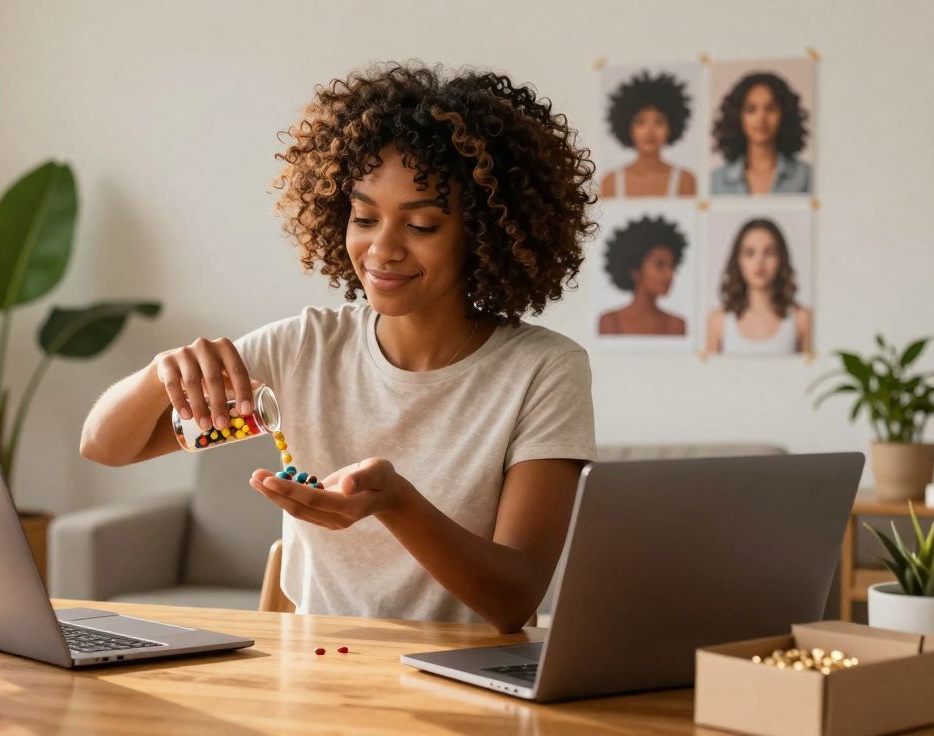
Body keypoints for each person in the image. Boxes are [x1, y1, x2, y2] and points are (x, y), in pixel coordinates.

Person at [79, 63, 597, 632]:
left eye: (421, 225)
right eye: (365, 217)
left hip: (464, 667)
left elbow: (514, 598)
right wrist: (159, 375)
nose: (382, 249)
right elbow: (106, 447)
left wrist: (396, 504)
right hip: (318, 664)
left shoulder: (543, 370)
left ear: (484, 235)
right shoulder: (303, 349)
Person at [706, 218, 812, 355]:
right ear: (738, 260)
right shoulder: (718, 321)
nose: (759, 263)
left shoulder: (802, 319)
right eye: (749, 253)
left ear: (781, 259)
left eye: (769, 253)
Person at [711, 71, 812, 195]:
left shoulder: (806, 176)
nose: (761, 118)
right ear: (737, 116)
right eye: (751, 110)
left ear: (784, 114)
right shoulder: (716, 180)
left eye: (770, 109)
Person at [600, 70, 697, 198]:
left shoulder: (685, 180)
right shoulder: (610, 182)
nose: (650, 131)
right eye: (641, 122)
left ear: (671, 127)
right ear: (628, 128)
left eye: (659, 122)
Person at [597, 215, 688, 336]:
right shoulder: (610, 322)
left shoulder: (677, 324)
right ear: (635, 270)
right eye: (659, 265)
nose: (669, 274)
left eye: (671, 266)